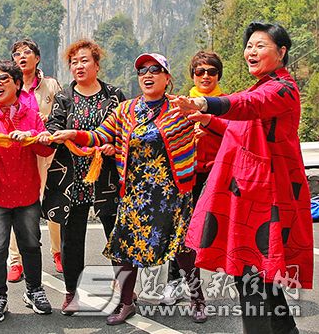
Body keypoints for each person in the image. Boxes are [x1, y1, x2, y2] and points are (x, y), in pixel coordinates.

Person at [43, 53, 206, 325]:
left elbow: (212, 126)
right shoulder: (126, 110)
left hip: (172, 193)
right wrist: (75, 135)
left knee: (183, 249)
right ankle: (126, 302)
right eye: (142, 70)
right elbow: (100, 135)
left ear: (167, 78)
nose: (148, 75)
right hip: (135, 193)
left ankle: (197, 299)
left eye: (155, 70)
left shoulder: (180, 109)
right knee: (124, 249)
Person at [172, 23, 314, 334]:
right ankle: (286, 331)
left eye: (260, 45)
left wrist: (204, 102)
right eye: (249, 46)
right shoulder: (262, 86)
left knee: (252, 277)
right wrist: (209, 119)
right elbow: (241, 128)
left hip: (265, 198)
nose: (251, 52)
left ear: (282, 52)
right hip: (249, 195)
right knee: (261, 276)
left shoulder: (282, 89)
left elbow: (248, 106)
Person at [40, 39, 125, 315]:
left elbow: (125, 131)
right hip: (71, 180)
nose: (79, 65)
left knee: (116, 237)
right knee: (72, 239)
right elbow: (53, 126)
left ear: (97, 65)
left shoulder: (114, 96)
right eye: (74, 61)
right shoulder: (65, 97)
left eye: (85, 60)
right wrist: (48, 134)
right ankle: (71, 293)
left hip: (106, 178)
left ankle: (125, 292)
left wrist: (115, 147)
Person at [0, 60, 55, 322]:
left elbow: (46, 148)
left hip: (27, 192)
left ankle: (34, 290)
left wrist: (33, 135)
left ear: (17, 83)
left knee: (30, 244)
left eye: (3, 79)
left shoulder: (31, 114)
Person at [161, 50, 225, 306]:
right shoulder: (182, 103)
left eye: (211, 71)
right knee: (182, 231)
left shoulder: (227, 103)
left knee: (222, 230)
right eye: (200, 71)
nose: (206, 76)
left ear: (218, 74)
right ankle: (175, 282)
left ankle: (248, 283)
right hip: (187, 176)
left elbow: (234, 136)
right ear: (193, 75)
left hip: (217, 175)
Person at [9, 38, 62, 280]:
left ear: (37, 58)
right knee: (17, 205)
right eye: (17, 54)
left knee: (52, 200)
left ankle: (58, 252)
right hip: (19, 155)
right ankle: (16, 260)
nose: (22, 57)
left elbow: (61, 115)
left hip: (47, 152)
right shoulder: (10, 86)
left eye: (27, 52)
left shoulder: (50, 85)